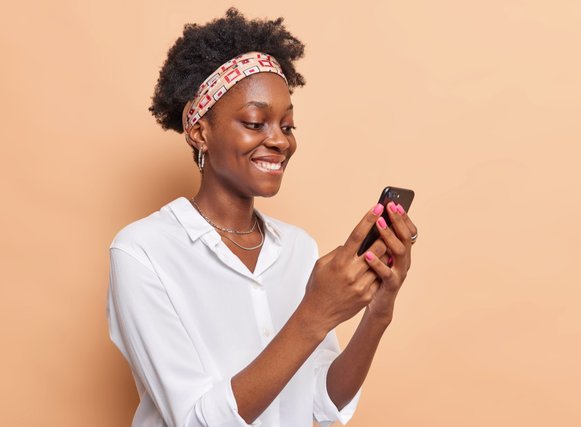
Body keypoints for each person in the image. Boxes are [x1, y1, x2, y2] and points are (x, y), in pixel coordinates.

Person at [107, 8, 418, 427]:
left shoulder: (297, 248)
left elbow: (320, 405)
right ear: (198, 130)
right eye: (255, 122)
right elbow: (197, 421)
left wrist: (378, 310)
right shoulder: (143, 251)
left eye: (287, 126)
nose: (278, 141)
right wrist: (315, 312)